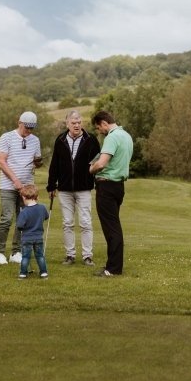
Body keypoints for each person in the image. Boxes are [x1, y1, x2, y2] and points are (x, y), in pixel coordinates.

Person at [46, 110, 101, 267]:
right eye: (73, 123)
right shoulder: (60, 139)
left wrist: (97, 183)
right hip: (64, 189)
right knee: (67, 223)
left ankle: (87, 256)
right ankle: (70, 255)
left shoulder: (91, 139)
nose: (77, 125)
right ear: (67, 124)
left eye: (79, 122)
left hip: (84, 188)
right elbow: (54, 165)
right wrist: (51, 185)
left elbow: (97, 162)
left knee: (85, 222)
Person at [0, 111, 42, 265]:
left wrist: (38, 163)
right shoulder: (6, 137)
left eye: (31, 128)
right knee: (7, 219)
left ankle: (16, 252)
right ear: (19, 122)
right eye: (26, 127)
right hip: (8, 186)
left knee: (24, 220)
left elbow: (36, 160)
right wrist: (15, 180)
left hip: (27, 187)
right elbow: (1, 162)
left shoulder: (35, 140)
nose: (29, 130)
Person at [89, 110, 133, 277]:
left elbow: (101, 164)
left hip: (106, 185)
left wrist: (91, 169)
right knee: (113, 226)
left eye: (98, 127)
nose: (99, 131)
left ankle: (113, 269)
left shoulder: (112, 137)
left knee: (111, 228)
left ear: (104, 123)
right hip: (118, 186)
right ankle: (112, 266)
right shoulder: (126, 136)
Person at [16, 184, 49, 279]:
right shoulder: (42, 208)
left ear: (24, 197)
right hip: (38, 237)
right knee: (40, 256)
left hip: (27, 238)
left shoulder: (24, 212)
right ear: (36, 196)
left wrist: (22, 228)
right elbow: (46, 217)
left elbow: (19, 225)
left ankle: (23, 273)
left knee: (26, 257)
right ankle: (43, 272)